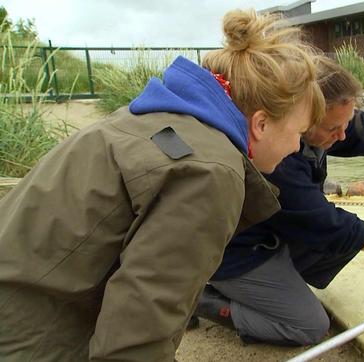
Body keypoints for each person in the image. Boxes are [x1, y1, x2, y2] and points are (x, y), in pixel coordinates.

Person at [0, 9, 324, 361]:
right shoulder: (211, 173)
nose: (296, 147)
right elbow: (135, 340)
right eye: (299, 133)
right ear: (260, 123)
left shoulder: (148, 117)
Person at [192, 56, 364, 346]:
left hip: (273, 227)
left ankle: (270, 280)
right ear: (306, 118)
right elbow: (333, 228)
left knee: (332, 244)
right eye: (334, 129)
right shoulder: (279, 161)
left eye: (346, 123)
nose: (343, 135)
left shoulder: (327, 121)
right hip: (236, 249)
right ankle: (201, 299)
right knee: (309, 324)